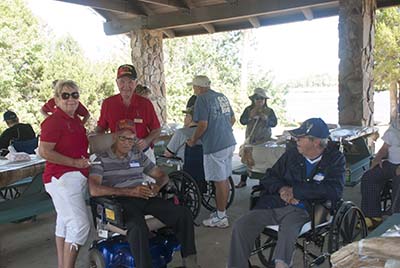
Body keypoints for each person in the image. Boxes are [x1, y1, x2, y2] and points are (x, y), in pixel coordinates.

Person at [228, 118, 345, 268]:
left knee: (288, 229)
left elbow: (334, 190)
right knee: (242, 224)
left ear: (315, 141)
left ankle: (281, 265)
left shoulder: (334, 159)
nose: (296, 140)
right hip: (275, 204)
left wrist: (296, 192)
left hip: (308, 209)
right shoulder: (292, 155)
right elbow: (269, 177)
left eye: (301, 137)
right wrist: (282, 189)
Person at [88, 119, 200, 268]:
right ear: (115, 137)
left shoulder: (137, 155)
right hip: (119, 202)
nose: (128, 143)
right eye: (124, 138)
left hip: (143, 195)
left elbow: (161, 175)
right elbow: (94, 189)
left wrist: (157, 187)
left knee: (183, 213)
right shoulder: (101, 159)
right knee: (137, 227)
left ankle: (190, 263)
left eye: (132, 139)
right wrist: (129, 191)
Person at [39, 80, 91, 268]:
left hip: (73, 177)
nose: (71, 99)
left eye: (75, 95)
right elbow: (44, 151)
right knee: (80, 226)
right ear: (57, 99)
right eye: (65, 95)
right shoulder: (53, 121)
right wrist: (75, 162)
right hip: (62, 178)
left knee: (64, 222)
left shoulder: (74, 118)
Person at [186, 75, 236, 228]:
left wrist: (193, 140)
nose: (193, 89)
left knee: (219, 181)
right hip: (229, 142)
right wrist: (222, 129)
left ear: (199, 87)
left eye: (194, 87)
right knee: (225, 179)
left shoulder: (201, 99)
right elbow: (232, 119)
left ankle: (221, 217)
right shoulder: (221, 97)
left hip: (215, 146)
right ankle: (221, 212)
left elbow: (203, 125)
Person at [95, 64, 161, 164]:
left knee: (151, 180)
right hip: (117, 157)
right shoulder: (108, 103)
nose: (126, 86)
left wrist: (146, 141)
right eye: (122, 82)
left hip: (143, 154)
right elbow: (100, 128)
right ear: (117, 83)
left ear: (136, 83)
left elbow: (156, 129)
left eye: (130, 82)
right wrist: (97, 138)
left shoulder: (145, 104)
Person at [361, 117, 400, 229]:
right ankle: (372, 216)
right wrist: (377, 158)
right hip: (391, 164)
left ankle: (395, 216)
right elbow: (384, 148)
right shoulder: (393, 130)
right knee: (369, 176)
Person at [236, 87, 278, 188]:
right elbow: (242, 121)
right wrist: (250, 116)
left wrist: (266, 119)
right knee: (247, 158)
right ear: (253, 100)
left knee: (262, 161)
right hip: (251, 138)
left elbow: (274, 123)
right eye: (257, 98)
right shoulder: (248, 109)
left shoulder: (269, 111)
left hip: (264, 139)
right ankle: (243, 180)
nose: (259, 101)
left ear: (265, 100)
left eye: (262, 99)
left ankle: (261, 183)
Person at [164, 95, 198, 161]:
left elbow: (168, 154)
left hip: (182, 169)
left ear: (190, 117)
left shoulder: (181, 133)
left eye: (186, 115)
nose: (185, 118)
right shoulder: (208, 133)